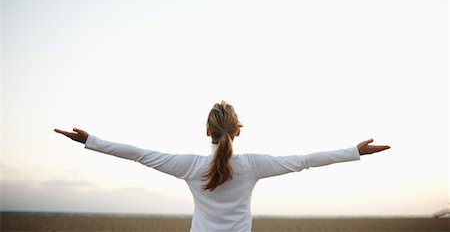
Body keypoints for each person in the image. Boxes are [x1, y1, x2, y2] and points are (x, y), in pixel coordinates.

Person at [54, 100, 390, 232]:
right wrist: (353, 151)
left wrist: (91, 140)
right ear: (239, 130)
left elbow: (139, 153)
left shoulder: (189, 166)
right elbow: (303, 161)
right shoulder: (253, 165)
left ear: (207, 131)